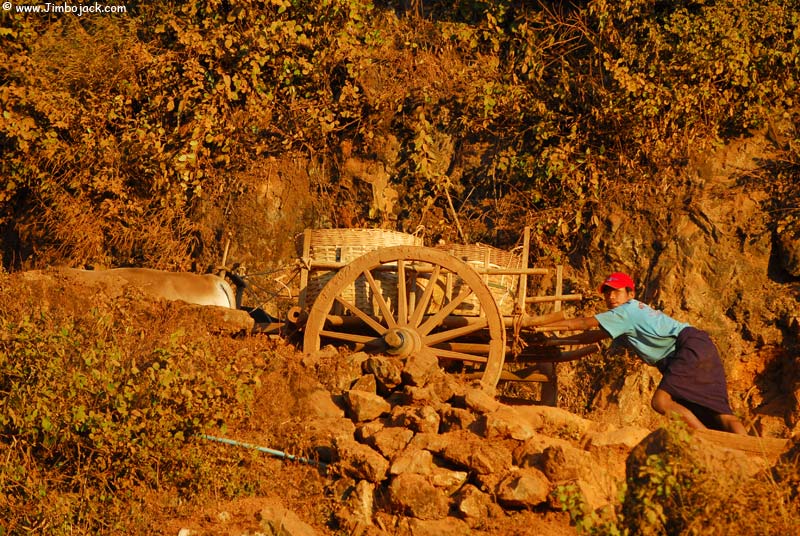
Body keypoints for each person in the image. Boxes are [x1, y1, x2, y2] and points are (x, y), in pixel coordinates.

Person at [541, 272, 746, 434]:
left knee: (661, 402)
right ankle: (749, 447)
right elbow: (592, 335)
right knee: (718, 411)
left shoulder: (626, 311)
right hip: (698, 346)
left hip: (686, 350)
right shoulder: (628, 314)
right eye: (607, 292)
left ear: (630, 294)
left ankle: (707, 439)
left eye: (616, 291)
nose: (611, 296)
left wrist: (540, 326)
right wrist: (557, 340)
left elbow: (584, 323)